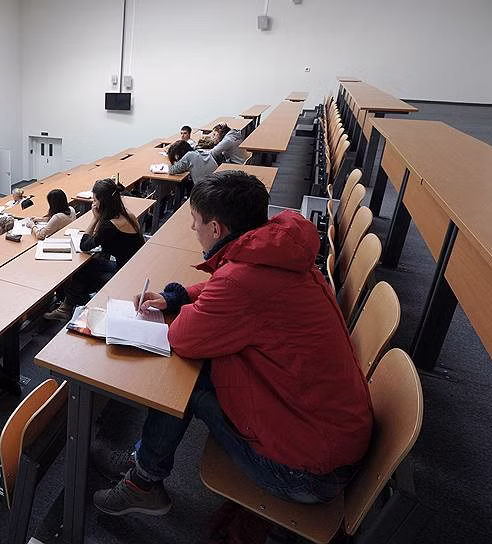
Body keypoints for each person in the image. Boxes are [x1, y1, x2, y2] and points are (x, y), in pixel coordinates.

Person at [92, 171, 373, 516]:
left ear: (215, 228)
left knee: (185, 383)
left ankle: (143, 481)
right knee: (202, 367)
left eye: (195, 221)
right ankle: (143, 463)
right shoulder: (282, 253)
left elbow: (185, 337)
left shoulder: (242, 282)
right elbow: (230, 289)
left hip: (305, 474)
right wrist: (174, 298)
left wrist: (188, 308)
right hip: (329, 435)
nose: (192, 229)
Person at [44, 179, 144, 320]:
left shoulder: (110, 225)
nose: (94, 203)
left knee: (82, 271)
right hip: (132, 266)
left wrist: (95, 219)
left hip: (124, 274)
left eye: (95, 199)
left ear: (103, 201)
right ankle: (70, 304)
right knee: (87, 266)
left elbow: (84, 245)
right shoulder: (126, 213)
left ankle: (69, 306)